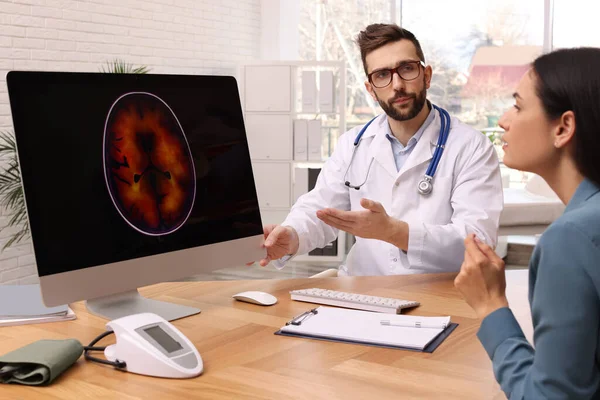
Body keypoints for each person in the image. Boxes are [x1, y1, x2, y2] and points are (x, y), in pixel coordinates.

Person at [253, 23, 503, 276]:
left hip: (437, 293)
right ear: (371, 89)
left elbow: (478, 243)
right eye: (382, 75)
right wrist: (292, 235)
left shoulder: (471, 147)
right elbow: (321, 209)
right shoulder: (353, 144)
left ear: (426, 75)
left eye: (406, 69)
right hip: (361, 288)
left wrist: (395, 232)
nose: (397, 85)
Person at [454, 47, 600, 399]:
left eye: (518, 106)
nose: (504, 120)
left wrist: (491, 305)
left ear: (563, 127)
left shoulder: (570, 240)